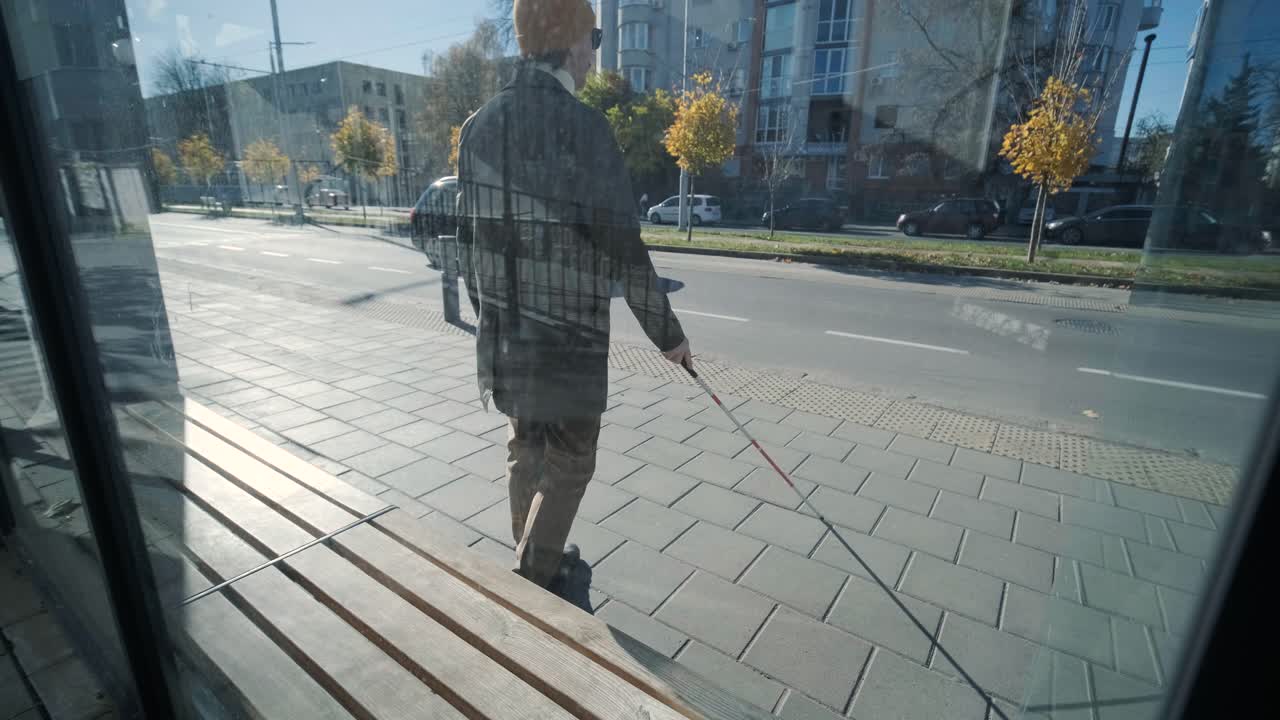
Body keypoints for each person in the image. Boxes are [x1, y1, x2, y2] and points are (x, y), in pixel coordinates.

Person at [456, 0, 691, 591]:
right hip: (571, 341)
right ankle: (535, 568)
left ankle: (535, 548)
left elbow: (467, 241)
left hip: (508, 335)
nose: (596, 52)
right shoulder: (586, 129)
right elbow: (623, 247)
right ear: (573, 42)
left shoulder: (480, 124)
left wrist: (491, 318)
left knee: (525, 446)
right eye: (596, 37)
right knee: (571, 457)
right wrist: (669, 336)